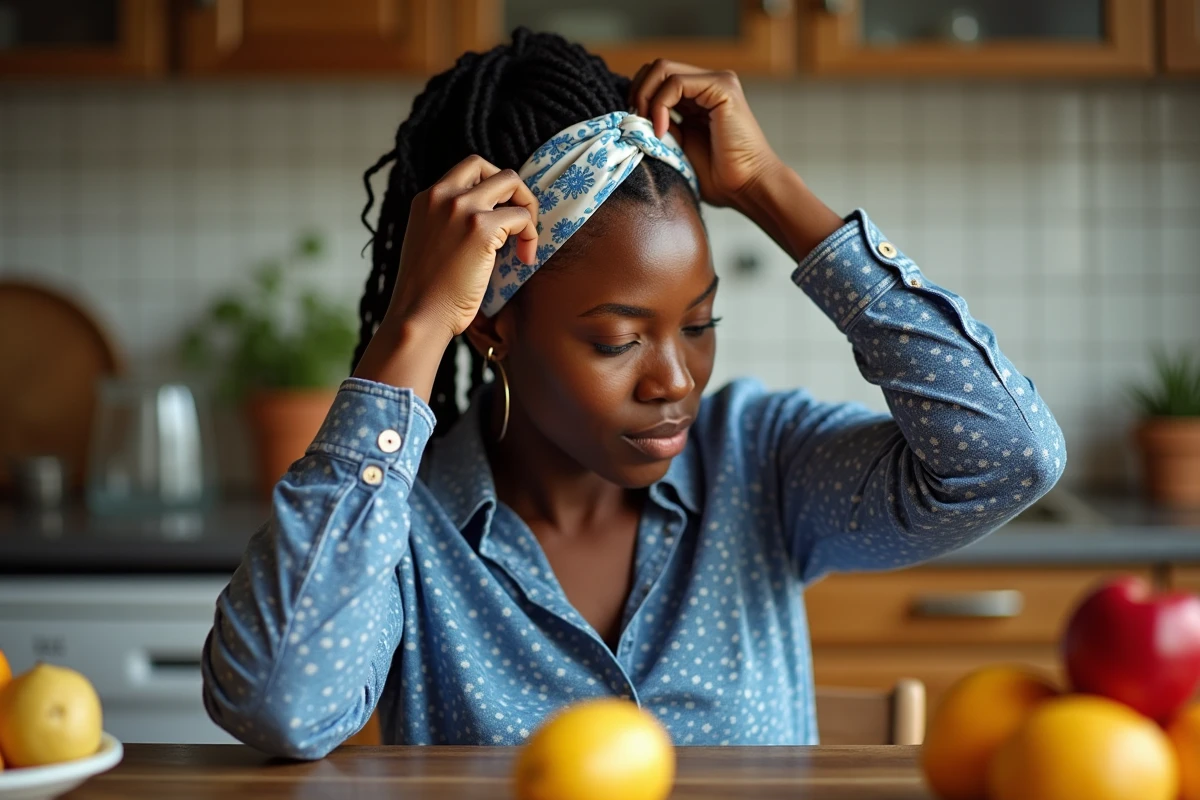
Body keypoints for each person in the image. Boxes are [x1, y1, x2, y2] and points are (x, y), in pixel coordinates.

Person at [201, 29, 1065, 758]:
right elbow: (279, 703)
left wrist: (767, 186)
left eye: (699, 324)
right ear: (493, 326)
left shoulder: (761, 464)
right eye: (618, 340)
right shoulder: (407, 525)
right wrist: (414, 329)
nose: (677, 380)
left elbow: (1008, 456)